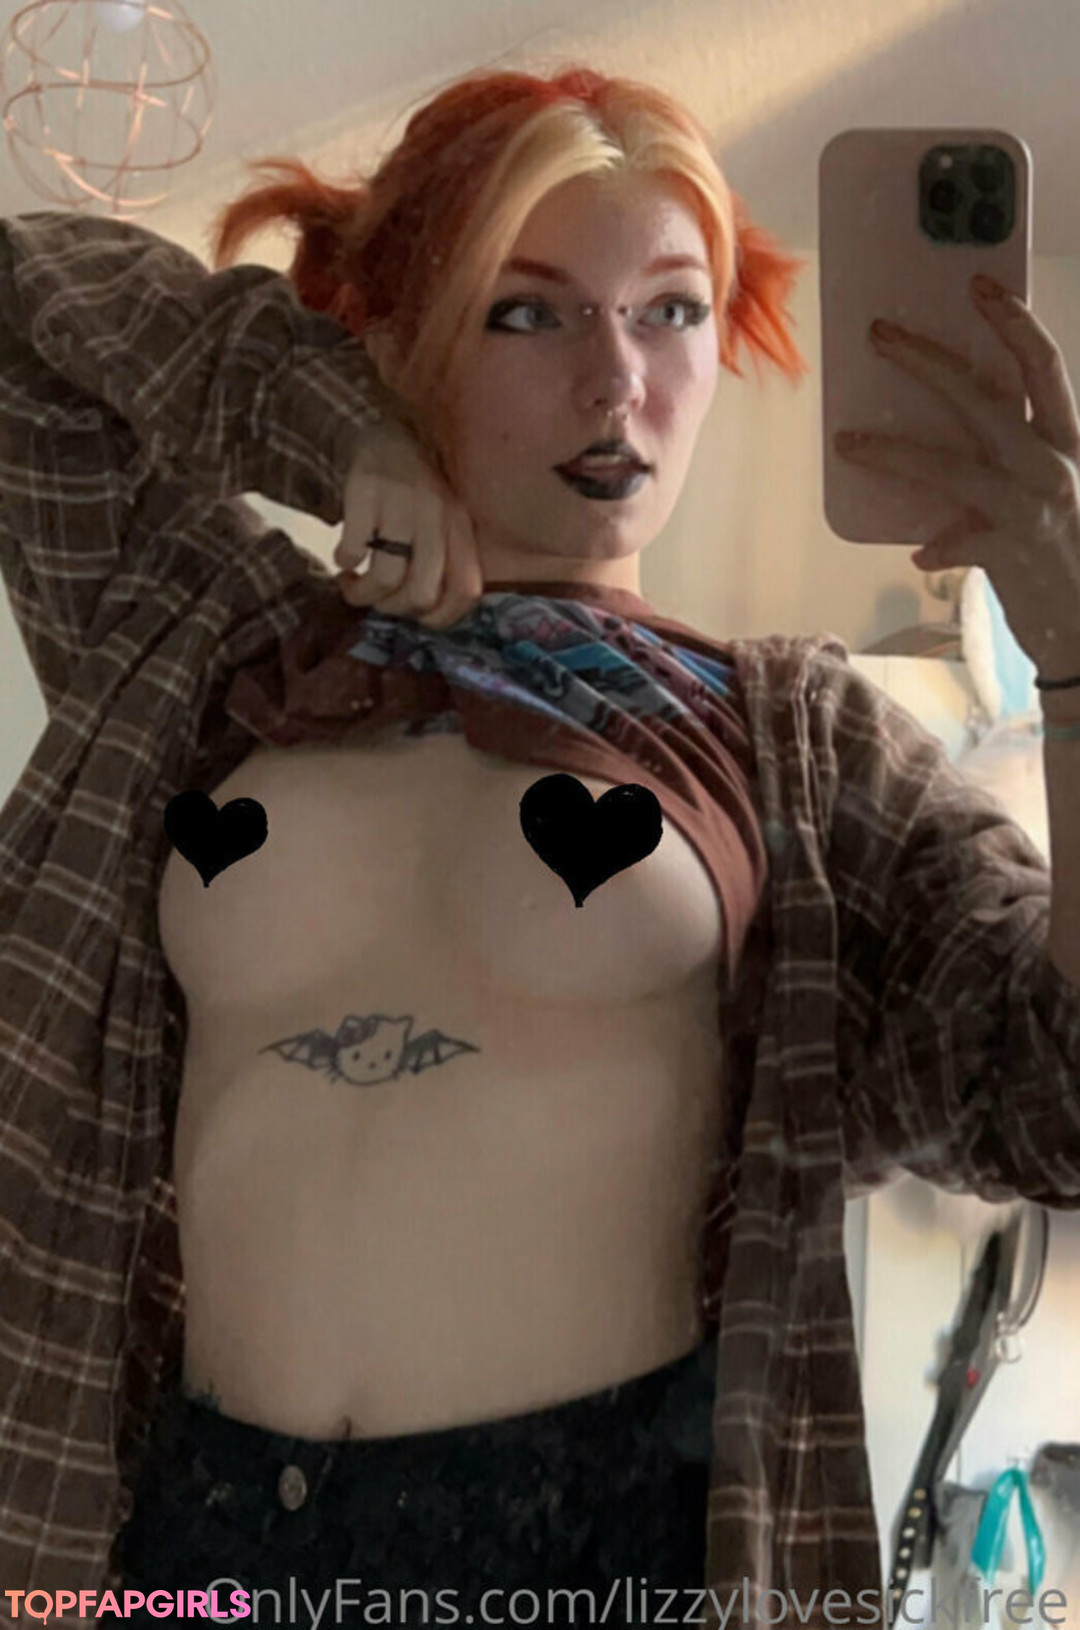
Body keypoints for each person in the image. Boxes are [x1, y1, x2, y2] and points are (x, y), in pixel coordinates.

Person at [2, 61, 1080, 1630]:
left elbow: (1060, 1099)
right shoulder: (209, 635)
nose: (616, 381)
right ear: (396, 335)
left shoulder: (800, 743)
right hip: (190, 1543)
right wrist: (329, 431)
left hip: (586, 1559)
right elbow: (27, 311)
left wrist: (1076, 657)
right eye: (529, 311)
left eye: (671, 310)